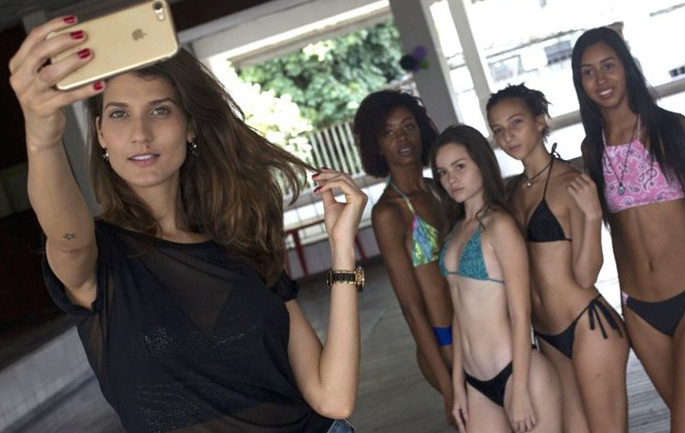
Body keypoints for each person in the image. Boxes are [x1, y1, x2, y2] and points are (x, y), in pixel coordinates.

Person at [10, 15, 367, 433]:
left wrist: (342, 247)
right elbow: (67, 238)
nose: (140, 133)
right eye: (119, 114)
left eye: (160, 110)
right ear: (100, 133)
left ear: (191, 127)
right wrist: (42, 138)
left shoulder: (240, 244)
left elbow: (333, 397)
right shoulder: (98, 260)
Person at [571, 27, 685, 433]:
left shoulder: (672, 130)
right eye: (588, 72)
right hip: (640, 312)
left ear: (627, 68)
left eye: (608, 66)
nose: (601, 79)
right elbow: (615, 235)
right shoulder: (593, 150)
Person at [487, 83, 629, 432]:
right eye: (498, 130)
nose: (508, 136)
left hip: (588, 327)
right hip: (547, 336)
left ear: (539, 121)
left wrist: (593, 218)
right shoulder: (510, 192)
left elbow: (586, 275)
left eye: (516, 123)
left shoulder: (572, 183)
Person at [431, 124, 561, 433]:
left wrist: (520, 390)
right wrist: (458, 384)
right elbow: (459, 314)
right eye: (442, 172)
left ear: (481, 163)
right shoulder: (453, 231)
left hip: (518, 371)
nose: (451, 179)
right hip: (475, 382)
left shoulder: (499, 225)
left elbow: (521, 313)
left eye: (460, 166)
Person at [353, 90, 455, 424]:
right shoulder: (388, 213)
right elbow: (411, 308)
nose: (401, 138)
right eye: (388, 132)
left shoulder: (443, 187)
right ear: (377, 145)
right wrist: (448, 387)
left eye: (408, 126)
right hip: (445, 342)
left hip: (481, 326)